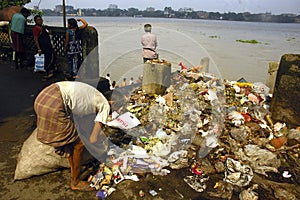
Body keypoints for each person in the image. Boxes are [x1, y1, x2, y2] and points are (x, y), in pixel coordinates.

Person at [34, 81, 111, 191]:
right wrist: (98, 139)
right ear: (111, 101)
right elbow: (93, 138)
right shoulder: (105, 104)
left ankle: (73, 170)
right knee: (79, 144)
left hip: (43, 97)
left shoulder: (89, 92)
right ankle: (75, 182)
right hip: (54, 105)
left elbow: (79, 116)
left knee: (71, 140)